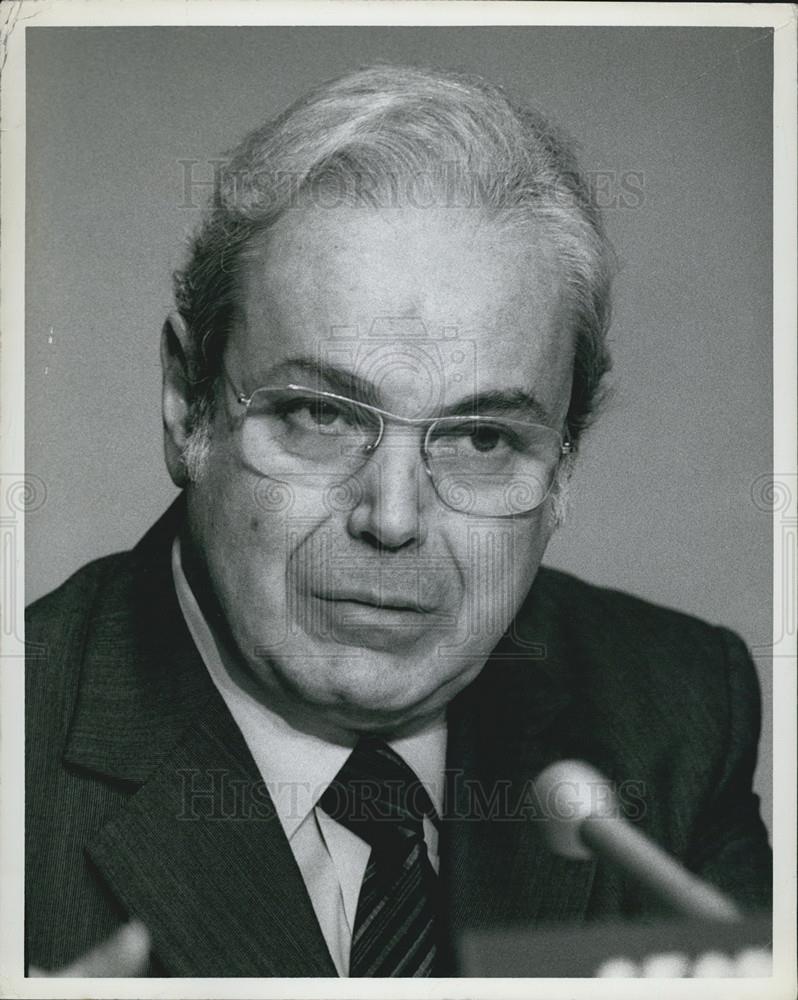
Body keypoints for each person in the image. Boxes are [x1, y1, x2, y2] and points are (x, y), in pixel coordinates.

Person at [25, 63, 771, 978]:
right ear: (189, 408)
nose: (393, 517)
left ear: (565, 467)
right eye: (321, 415)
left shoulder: (673, 716)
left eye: (484, 438)